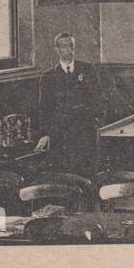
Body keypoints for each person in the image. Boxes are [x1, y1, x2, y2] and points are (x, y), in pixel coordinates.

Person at [35, 34, 106, 177]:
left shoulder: (88, 70)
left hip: (86, 132)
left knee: (88, 173)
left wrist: (95, 120)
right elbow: (45, 108)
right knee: (65, 174)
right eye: (64, 46)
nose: (69, 50)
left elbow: (99, 99)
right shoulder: (48, 77)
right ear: (57, 49)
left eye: (72, 46)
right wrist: (46, 133)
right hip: (61, 135)